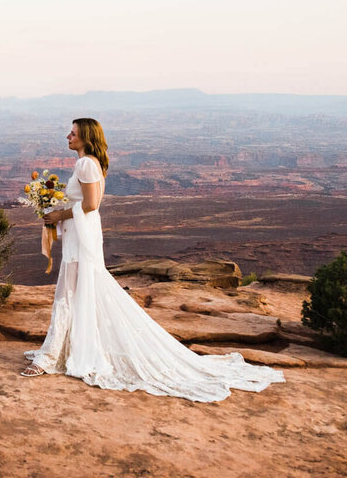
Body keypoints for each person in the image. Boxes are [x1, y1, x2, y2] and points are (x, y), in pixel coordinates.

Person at [20, 118, 285, 401]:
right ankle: (69, 347)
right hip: (83, 232)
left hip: (81, 235)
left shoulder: (85, 164)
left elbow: (91, 204)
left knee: (69, 292)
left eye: (72, 133)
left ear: (85, 137)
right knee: (78, 290)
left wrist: (59, 214)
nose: (67, 137)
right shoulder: (93, 162)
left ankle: (50, 358)